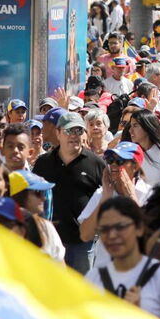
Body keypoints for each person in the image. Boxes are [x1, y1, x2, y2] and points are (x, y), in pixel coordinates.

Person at [33, 112, 106, 274]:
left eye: (78, 131)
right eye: (68, 131)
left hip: (83, 244)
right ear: (58, 133)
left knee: (82, 293)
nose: (74, 136)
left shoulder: (96, 164)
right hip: (50, 241)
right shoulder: (43, 163)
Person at [126, 109, 160, 186]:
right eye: (130, 126)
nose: (130, 130)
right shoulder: (129, 154)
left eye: (135, 125)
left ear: (147, 127)